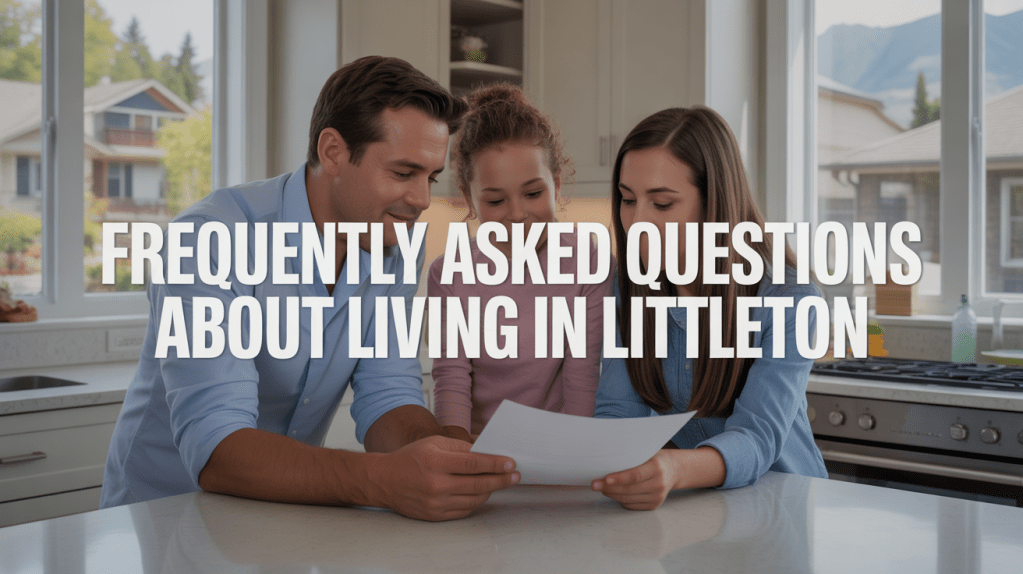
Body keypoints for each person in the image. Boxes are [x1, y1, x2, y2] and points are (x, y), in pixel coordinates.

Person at [100, 56, 519, 522]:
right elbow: (216, 446)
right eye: (403, 174)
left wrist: (450, 461)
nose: (421, 200)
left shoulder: (393, 247)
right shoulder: (207, 241)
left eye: (430, 177)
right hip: (163, 519)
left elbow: (389, 394)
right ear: (333, 152)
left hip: (282, 514)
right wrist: (384, 480)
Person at [591, 106, 827, 510]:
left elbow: (756, 437)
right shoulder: (628, 286)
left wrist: (673, 469)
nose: (636, 222)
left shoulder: (790, 299)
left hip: (782, 506)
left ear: (714, 202)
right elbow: (619, 412)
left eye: (661, 205)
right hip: (698, 508)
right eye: (628, 201)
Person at [428, 84, 612, 441]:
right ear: (469, 198)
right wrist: (459, 459)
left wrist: (574, 458)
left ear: (556, 185)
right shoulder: (449, 273)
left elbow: (582, 375)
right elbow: (451, 377)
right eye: (496, 201)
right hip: (482, 452)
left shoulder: (588, 259)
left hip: (559, 448)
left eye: (533, 193)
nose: (518, 215)